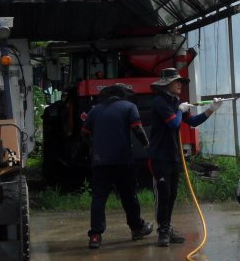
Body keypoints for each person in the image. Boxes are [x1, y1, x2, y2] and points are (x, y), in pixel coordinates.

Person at [148, 68, 223, 247]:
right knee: (163, 195)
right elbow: (174, 123)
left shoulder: (176, 102)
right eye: (177, 81)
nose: (180, 84)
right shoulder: (159, 102)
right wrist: (180, 110)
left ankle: (167, 227)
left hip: (173, 156)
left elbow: (193, 122)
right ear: (167, 84)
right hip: (159, 157)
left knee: (172, 194)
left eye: (180, 81)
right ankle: (163, 231)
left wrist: (211, 109)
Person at [81, 84, 154, 249]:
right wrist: (147, 146)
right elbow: (138, 129)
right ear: (123, 96)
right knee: (129, 195)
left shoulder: (95, 110)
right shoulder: (129, 107)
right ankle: (136, 229)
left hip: (100, 162)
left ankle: (95, 235)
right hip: (122, 160)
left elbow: (84, 133)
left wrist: (94, 147)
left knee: (99, 198)